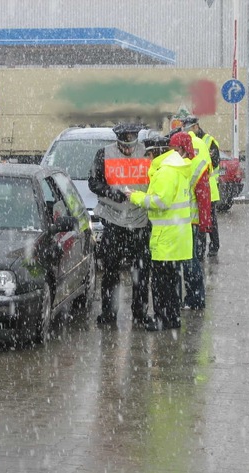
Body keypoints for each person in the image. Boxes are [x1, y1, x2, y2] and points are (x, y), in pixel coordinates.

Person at [88, 122, 152, 326]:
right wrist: (110, 193)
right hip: (114, 220)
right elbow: (94, 182)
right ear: (118, 139)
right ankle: (108, 314)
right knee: (110, 272)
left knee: (141, 274)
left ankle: (140, 315)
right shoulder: (104, 154)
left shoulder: (147, 153)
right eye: (124, 144)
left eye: (131, 143)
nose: (128, 149)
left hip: (140, 221)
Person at [127, 136, 192, 331]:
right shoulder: (176, 168)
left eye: (148, 154)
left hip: (166, 237)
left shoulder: (166, 172)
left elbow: (160, 202)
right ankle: (172, 318)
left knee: (161, 283)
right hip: (177, 236)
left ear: (155, 152)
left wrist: (135, 197)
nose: (146, 158)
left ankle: (162, 319)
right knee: (171, 282)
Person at [169, 132, 211, 310]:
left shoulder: (196, 166)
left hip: (190, 223)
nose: (174, 152)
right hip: (179, 223)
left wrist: (204, 224)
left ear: (184, 148)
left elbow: (204, 198)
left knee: (189, 262)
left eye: (176, 149)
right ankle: (185, 298)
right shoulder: (177, 164)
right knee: (183, 262)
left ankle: (196, 298)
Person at [181, 115, 221, 258]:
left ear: (195, 127)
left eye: (188, 128)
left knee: (209, 220)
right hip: (196, 188)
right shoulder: (187, 141)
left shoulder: (208, 141)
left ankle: (214, 246)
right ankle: (200, 248)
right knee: (199, 220)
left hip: (209, 187)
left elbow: (215, 162)